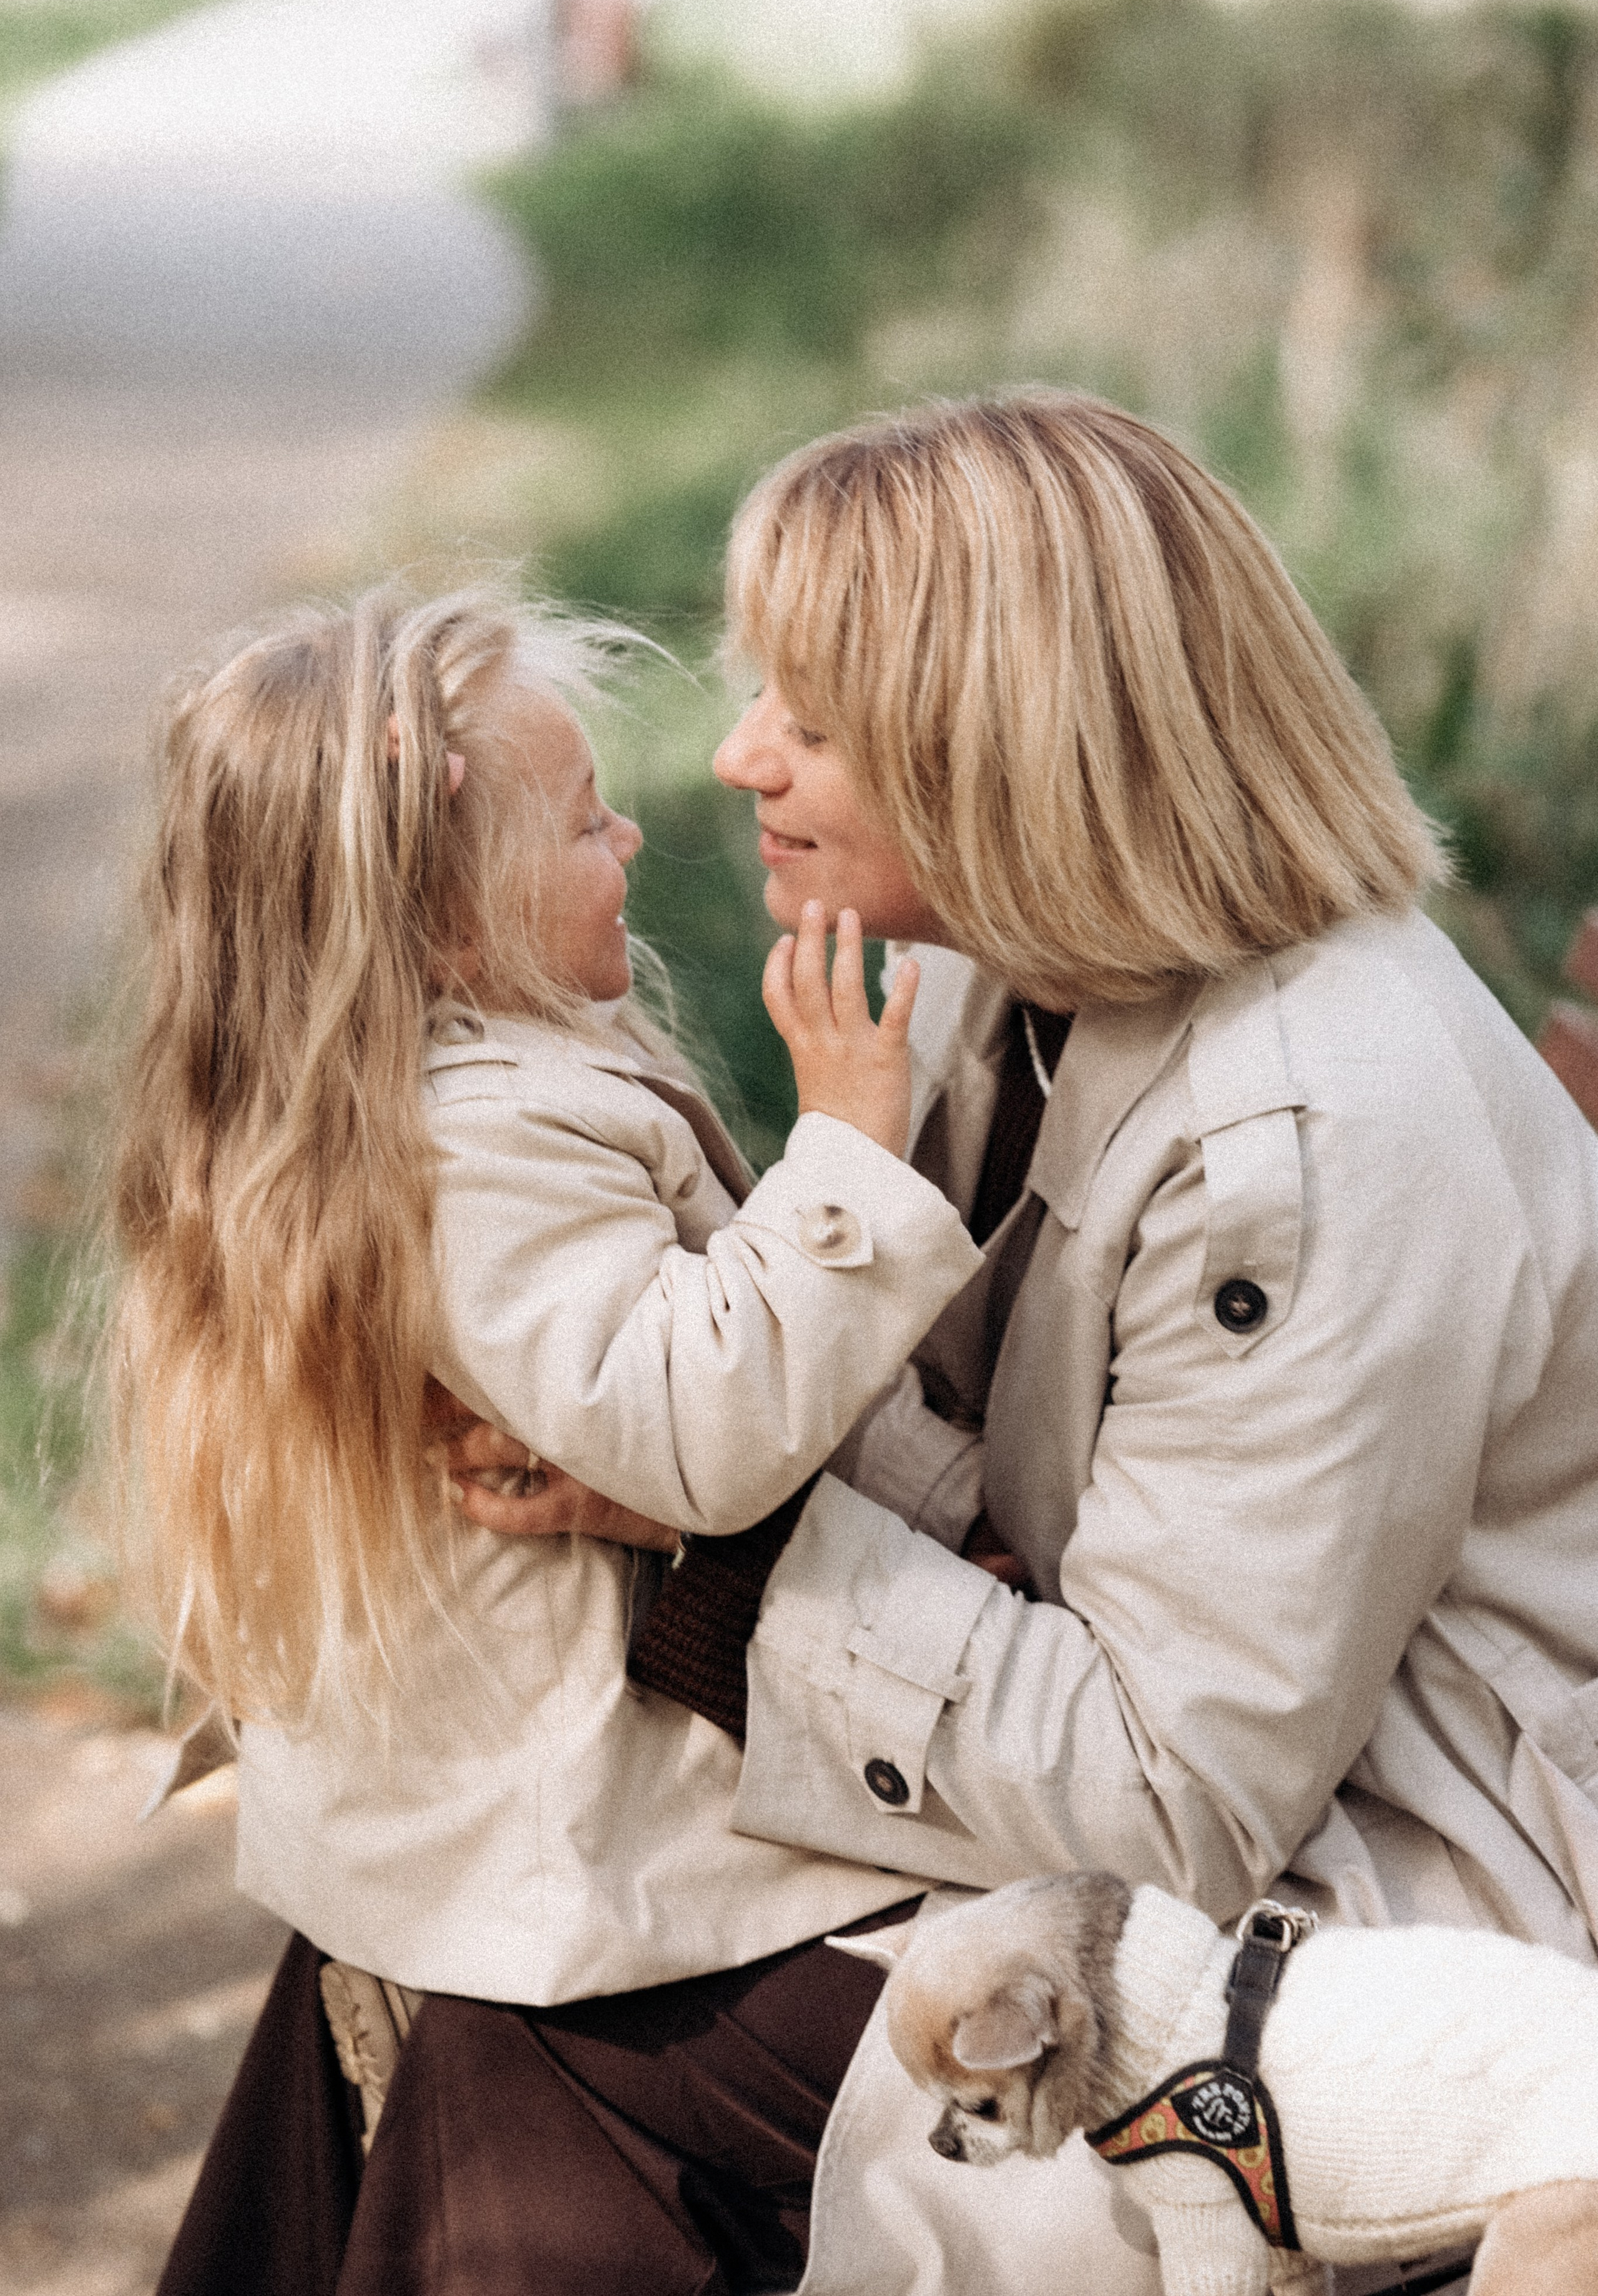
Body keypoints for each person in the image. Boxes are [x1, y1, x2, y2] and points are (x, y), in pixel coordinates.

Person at [448, 392, 1598, 2295]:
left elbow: (1183, 1793)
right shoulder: (1023, 975)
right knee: (491, 1919)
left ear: (1005, 748)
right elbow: (1016, 1460)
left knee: (549, 2010)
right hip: (1196, 1788)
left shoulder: (1305, 1139)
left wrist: (710, 1550)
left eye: (810, 722)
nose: (740, 757)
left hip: (1403, 1904)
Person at [114, 587, 1009, 2295]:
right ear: (441, 914)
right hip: (586, 1842)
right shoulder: (476, 1148)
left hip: (520, 1794)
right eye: (583, 816)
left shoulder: (449, 1096)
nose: (629, 831)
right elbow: (702, 1433)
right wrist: (846, 1154)